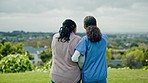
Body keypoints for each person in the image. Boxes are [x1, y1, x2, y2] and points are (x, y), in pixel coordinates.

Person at [72, 16, 108, 83]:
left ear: (84, 26)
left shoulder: (85, 40)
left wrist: (81, 66)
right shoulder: (105, 37)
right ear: (96, 24)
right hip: (102, 75)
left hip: (88, 76)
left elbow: (74, 58)